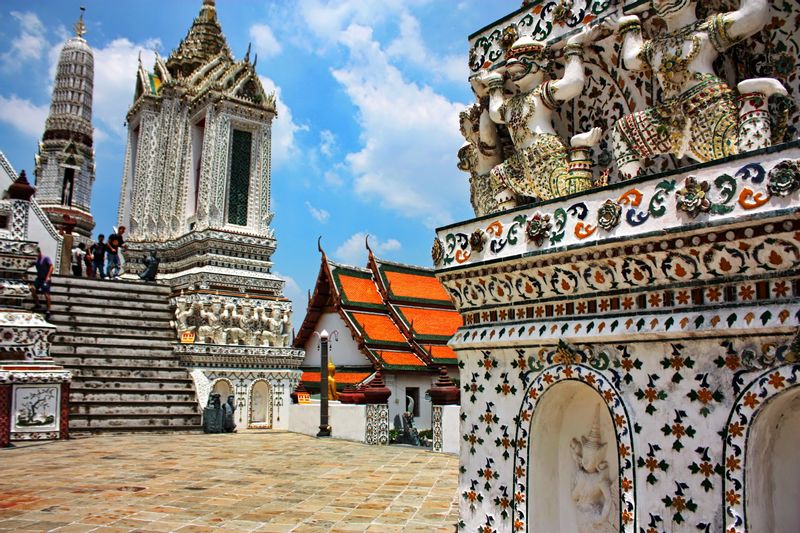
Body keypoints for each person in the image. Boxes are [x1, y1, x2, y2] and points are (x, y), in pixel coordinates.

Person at [30, 247, 53, 321]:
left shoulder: (46, 258)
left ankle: (48, 310)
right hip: (39, 279)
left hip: (45, 279)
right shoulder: (36, 260)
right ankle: (37, 304)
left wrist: (48, 277)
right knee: (32, 288)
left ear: (39, 252)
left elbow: (51, 267)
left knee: (46, 294)